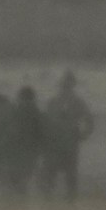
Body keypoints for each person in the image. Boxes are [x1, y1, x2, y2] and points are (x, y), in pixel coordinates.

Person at [39, 71, 95, 202]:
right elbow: (44, 123)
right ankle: (52, 205)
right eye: (64, 85)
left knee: (69, 178)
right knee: (53, 176)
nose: (65, 88)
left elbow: (90, 121)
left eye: (67, 86)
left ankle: (68, 206)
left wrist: (83, 135)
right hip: (57, 145)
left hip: (68, 145)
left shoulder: (77, 103)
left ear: (72, 86)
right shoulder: (53, 102)